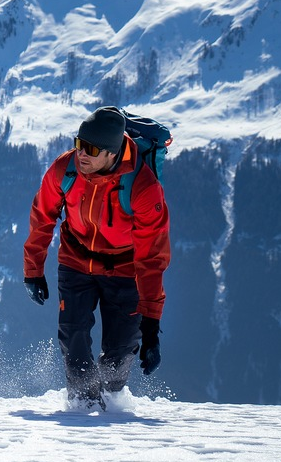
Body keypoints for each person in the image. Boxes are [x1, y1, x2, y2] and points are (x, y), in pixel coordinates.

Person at [23, 107, 171, 408]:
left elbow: (152, 259)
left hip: (126, 270)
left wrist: (152, 327)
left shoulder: (143, 188)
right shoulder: (66, 169)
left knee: (119, 354)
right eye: (79, 143)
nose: (82, 154)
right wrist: (33, 270)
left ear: (112, 153)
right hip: (76, 262)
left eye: (90, 149)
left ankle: (110, 407)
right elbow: (43, 216)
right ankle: (81, 409)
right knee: (74, 343)